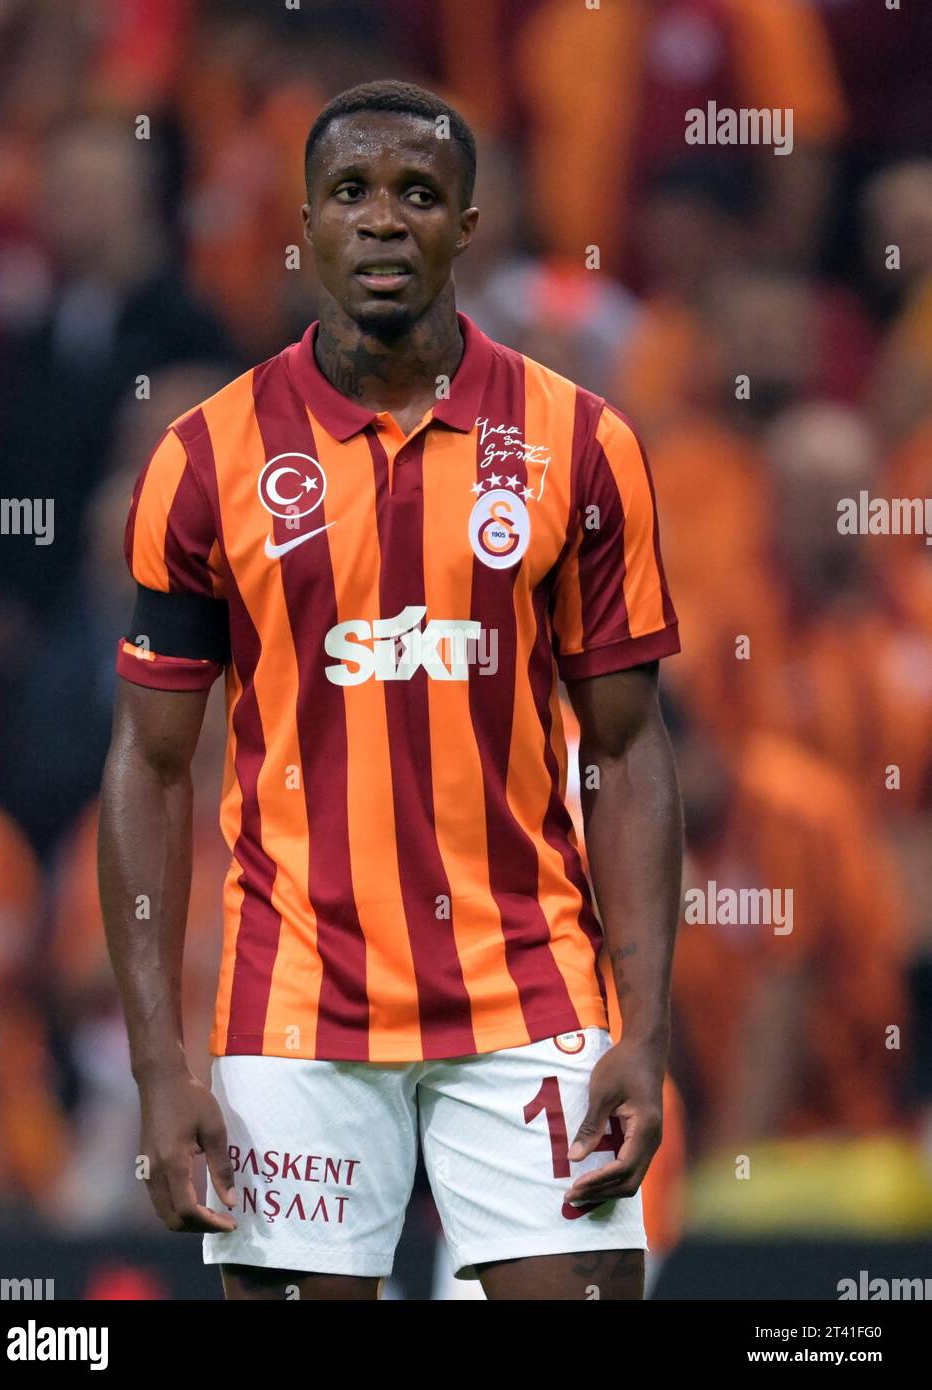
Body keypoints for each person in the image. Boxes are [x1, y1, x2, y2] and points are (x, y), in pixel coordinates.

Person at [98, 79, 682, 1301]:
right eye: (351, 193)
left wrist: (646, 1029)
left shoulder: (581, 442)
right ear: (303, 223)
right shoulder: (206, 456)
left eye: (417, 193)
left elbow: (628, 751)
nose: (381, 221)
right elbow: (149, 765)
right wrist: (161, 1067)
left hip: (530, 982)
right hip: (295, 1002)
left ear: (469, 224)